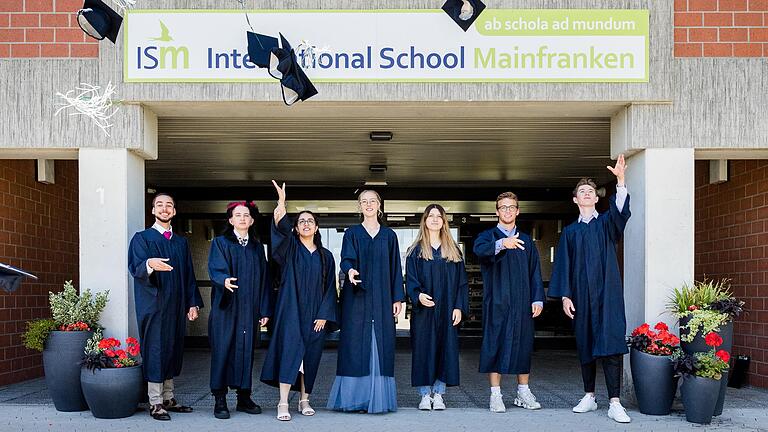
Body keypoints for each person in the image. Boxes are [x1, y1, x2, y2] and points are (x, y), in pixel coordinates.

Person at [548, 154, 632, 424]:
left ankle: (615, 402)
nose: (586, 193)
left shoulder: (607, 223)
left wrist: (620, 180)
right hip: (581, 296)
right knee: (585, 344)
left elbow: (621, 212)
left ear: (597, 198)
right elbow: (563, 265)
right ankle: (589, 396)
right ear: (575, 200)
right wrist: (564, 295)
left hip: (608, 295)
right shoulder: (570, 232)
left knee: (611, 343)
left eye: (591, 191)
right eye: (581, 191)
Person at [261, 181, 338, 421]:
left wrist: (325, 314)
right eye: (301, 221)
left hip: (316, 315)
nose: (306, 224)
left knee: (311, 357)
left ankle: (305, 399)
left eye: (310, 221)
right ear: (296, 228)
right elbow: (280, 231)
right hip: (291, 312)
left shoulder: (326, 257)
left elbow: (330, 289)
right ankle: (283, 402)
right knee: (289, 354)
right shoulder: (290, 249)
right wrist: (281, 205)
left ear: (317, 228)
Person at [327, 190, 404, 413]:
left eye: (372, 201)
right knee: (354, 344)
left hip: (382, 297)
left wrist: (397, 297)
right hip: (356, 297)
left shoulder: (389, 236)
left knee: (381, 343)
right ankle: (355, 399)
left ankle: (377, 397)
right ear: (359, 206)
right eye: (364, 201)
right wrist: (350, 270)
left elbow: (395, 270)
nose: (368, 204)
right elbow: (346, 259)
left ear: (379, 205)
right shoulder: (351, 233)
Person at [128, 193, 203, 421]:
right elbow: (136, 267)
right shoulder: (142, 239)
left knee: (173, 348)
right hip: (154, 306)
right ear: (153, 210)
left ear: (174, 211)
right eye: (159, 205)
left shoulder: (180, 242)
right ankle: (155, 402)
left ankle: (169, 398)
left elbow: (189, 274)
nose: (164, 208)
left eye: (169, 205)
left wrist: (192, 302)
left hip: (176, 305)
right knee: (156, 349)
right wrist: (150, 264)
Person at [473, 192, 545, 413]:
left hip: (523, 303)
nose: (507, 211)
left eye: (511, 207)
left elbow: (535, 272)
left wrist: (537, 298)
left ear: (518, 211)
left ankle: (523, 392)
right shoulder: (488, 236)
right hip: (497, 302)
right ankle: (496, 395)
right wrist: (503, 243)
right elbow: (479, 251)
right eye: (503, 207)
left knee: (523, 345)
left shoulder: (526, 241)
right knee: (494, 345)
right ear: (496, 211)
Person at [207, 200, 272, 419]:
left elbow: (264, 280)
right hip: (227, 308)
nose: (243, 218)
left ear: (252, 221)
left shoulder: (256, 247)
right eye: (238, 215)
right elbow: (215, 268)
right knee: (223, 350)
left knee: (246, 351)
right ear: (231, 220)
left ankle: (244, 397)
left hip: (249, 309)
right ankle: (220, 399)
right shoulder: (220, 243)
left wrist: (264, 310)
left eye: (246, 215)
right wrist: (223, 279)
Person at [406, 204, 468, 411]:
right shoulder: (415, 252)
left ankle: (439, 394)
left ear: (444, 221)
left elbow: (461, 282)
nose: (434, 219)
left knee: (445, 350)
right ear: (424, 221)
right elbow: (411, 281)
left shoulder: (453, 251)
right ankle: (425, 395)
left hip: (448, 309)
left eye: (438, 216)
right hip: (425, 311)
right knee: (424, 350)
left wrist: (459, 306)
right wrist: (418, 295)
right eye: (430, 216)